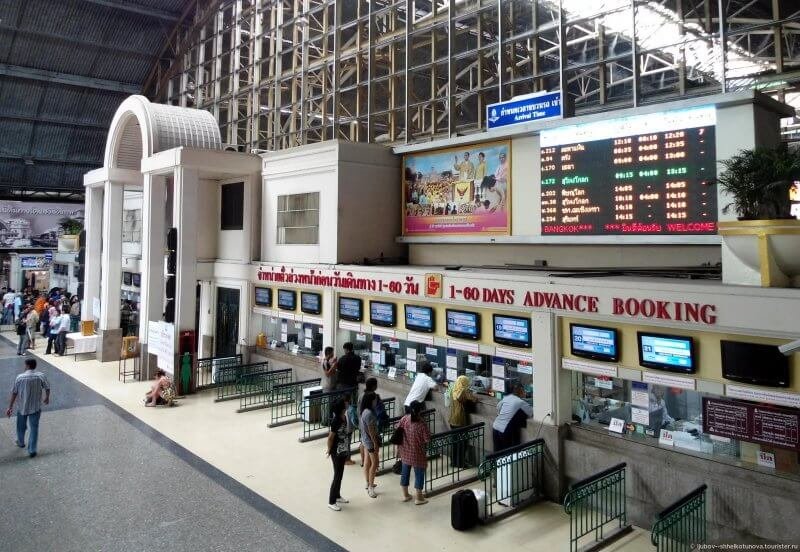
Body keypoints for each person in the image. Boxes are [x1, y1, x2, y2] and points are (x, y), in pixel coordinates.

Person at [6, 358, 50, 458]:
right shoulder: (40, 376)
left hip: (22, 406)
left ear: (27, 366)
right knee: (34, 428)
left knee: (20, 426)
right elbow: (47, 387)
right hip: (35, 407)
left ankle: (21, 442)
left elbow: (14, 392)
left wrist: (10, 407)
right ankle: (32, 450)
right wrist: (47, 397)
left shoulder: (20, 377)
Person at [397, 401, 432, 505]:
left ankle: (405, 495)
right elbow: (427, 439)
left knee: (405, 473)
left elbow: (397, 430)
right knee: (419, 474)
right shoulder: (421, 423)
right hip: (418, 453)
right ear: (420, 410)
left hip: (405, 451)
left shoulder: (404, 419)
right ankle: (419, 498)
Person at [326, 398, 351, 511]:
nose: (347, 404)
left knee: (340, 474)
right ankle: (331, 501)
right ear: (342, 408)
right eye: (345, 404)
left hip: (342, 449)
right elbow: (330, 438)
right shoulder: (336, 421)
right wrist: (329, 449)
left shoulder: (344, 417)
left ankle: (337, 495)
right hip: (336, 451)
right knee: (337, 475)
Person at [492, 383, 533, 452]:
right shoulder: (520, 402)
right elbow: (531, 413)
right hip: (504, 430)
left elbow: (498, 407)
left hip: (495, 427)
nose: (525, 393)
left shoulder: (507, 397)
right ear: (521, 392)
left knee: (497, 453)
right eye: (524, 391)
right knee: (507, 454)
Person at [449, 375, 478, 467]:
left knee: (455, 443)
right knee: (462, 443)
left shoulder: (453, 389)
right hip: (460, 420)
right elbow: (474, 399)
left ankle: (454, 462)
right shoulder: (464, 391)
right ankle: (461, 463)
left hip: (452, 419)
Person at [359, 392, 381, 498]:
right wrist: (375, 443)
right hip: (370, 442)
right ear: (371, 401)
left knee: (367, 462)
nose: (376, 402)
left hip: (365, 440)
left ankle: (368, 482)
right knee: (375, 463)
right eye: (375, 400)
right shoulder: (369, 414)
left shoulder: (364, 411)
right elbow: (371, 431)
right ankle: (371, 487)